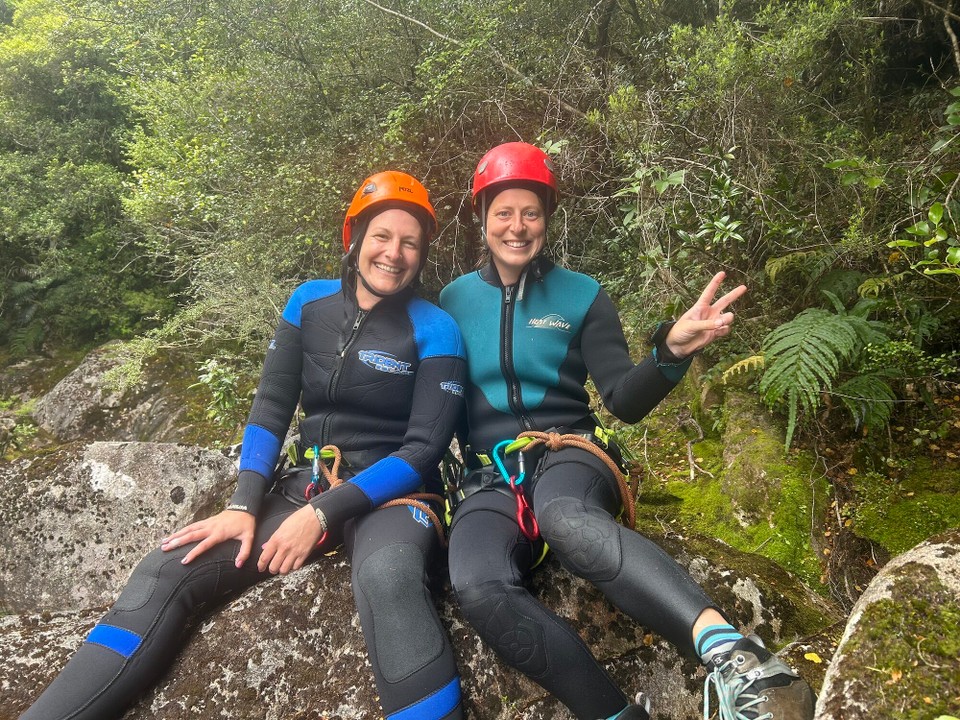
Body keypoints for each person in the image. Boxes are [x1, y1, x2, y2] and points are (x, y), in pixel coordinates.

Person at [22, 171, 467, 720]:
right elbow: (272, 407)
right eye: (381, 235)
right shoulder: (309, 304)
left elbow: (423, 449)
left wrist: (323, 515)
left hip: (394, 493)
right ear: (353, 236)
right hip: (305, 483)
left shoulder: (436, 327)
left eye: (410, 243)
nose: (393, 253)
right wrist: (243, 503)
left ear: (423, 255)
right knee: (165, 571)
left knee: (388, 579)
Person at [439, 142, 816, 720]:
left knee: (566, 519)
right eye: (503, 212)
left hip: (571, 454)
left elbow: (622, 399)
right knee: (476, 583)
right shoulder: (453, 301)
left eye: (531, 212)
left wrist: (669, 353)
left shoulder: (581, 295)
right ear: (481, 216)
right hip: (491, 477)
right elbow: (440, 405)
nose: (518, 227)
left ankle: (738, 657)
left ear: (548, 218)